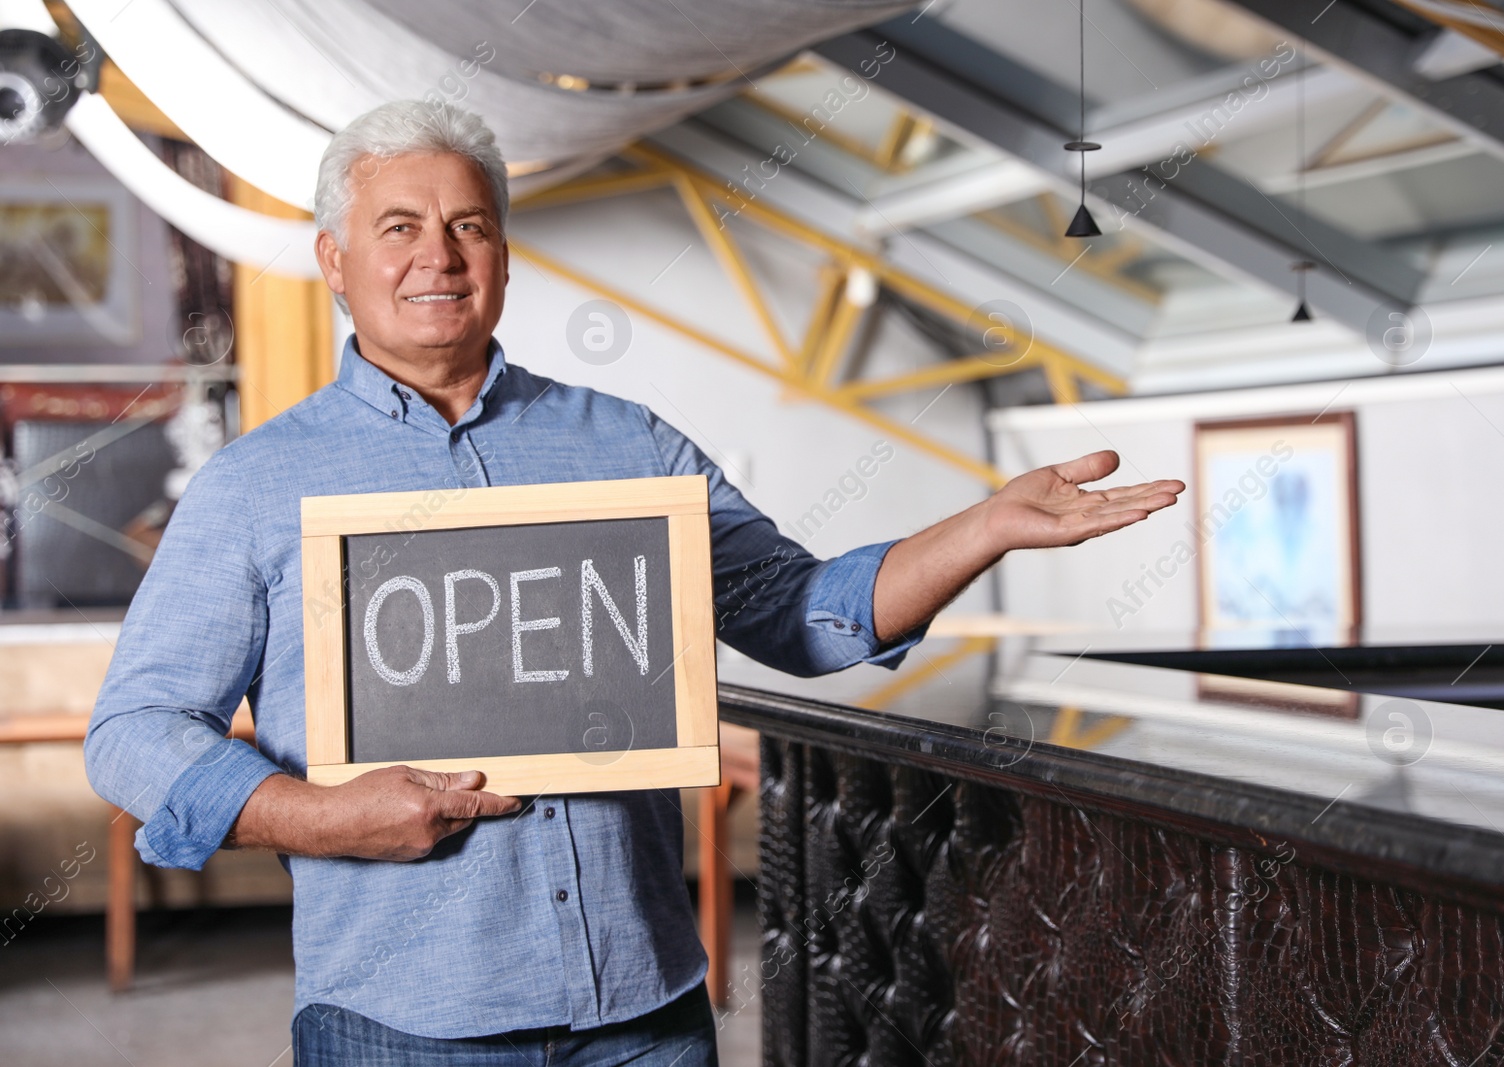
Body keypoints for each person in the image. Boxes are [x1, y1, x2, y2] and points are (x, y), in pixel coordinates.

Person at [85, 100, 1183, 1065]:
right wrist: (320, 818)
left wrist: (983, 524)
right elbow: (134, 731)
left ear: (505, 256)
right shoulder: (254, 485)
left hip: (645, 1010)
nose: (441, 256)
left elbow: (800, 614)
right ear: (334, 260)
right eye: (400, 227)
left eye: (470, 226)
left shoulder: (627, 444)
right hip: (401, 1019)